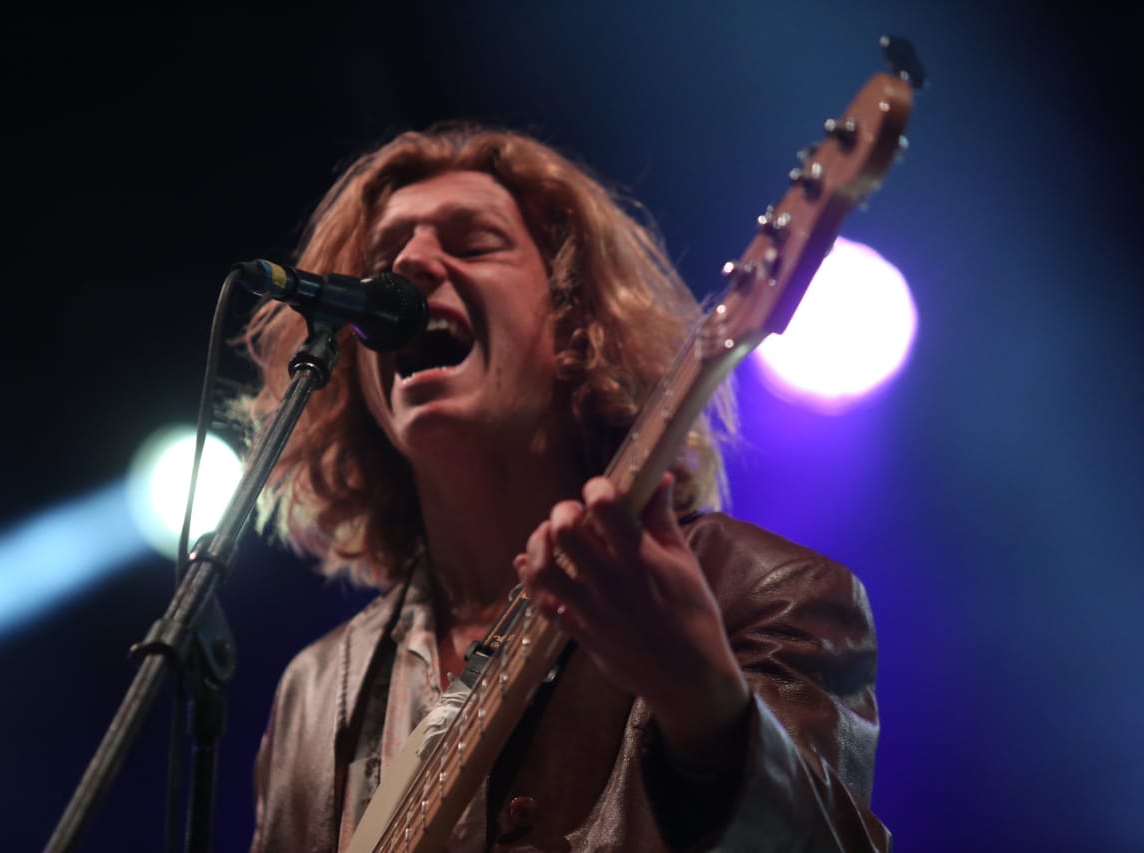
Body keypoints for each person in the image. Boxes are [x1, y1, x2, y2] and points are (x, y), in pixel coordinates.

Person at [242, 125, 889, 852]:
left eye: (474, 243)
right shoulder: (311, 691)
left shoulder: (767, 594)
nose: (410, 264)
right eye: (383, 259)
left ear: (576, 317)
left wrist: (705, 705)